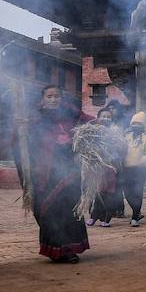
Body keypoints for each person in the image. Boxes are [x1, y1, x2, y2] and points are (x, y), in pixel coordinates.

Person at [24, 85, 90, 263]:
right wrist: (19, 129)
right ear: (43, 99)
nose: (53, 99)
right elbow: (22, 142)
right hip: (45, 173)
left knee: (68, 210)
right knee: (48, 211)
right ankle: (55, 249)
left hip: (69, 171)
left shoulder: (71, 114)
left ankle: (68, 250)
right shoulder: (34, 119)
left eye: (57, 96)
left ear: (61, 98)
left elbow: (89, 124)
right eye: (49, 96)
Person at [87, 105, 122, 227]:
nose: (106, 119)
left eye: (108, 117)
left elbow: (121, 148)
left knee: (109, 194)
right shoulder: (92, 131)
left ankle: (106, 219)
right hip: (97, 167)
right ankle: (94, 216)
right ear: (98, 118)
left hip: (110, 167)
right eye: (103, 116)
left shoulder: (116, 132)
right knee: (97, 192)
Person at [120, 111, 146, 227]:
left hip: (140, 171)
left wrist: (140, 162)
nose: (136, 126)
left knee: (137, 193)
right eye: (134, 123)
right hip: (126, 169)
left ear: (143, 126)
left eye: (139, 124)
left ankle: (135, 217)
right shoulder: (125, 137)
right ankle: (137, 212)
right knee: (127, 193)